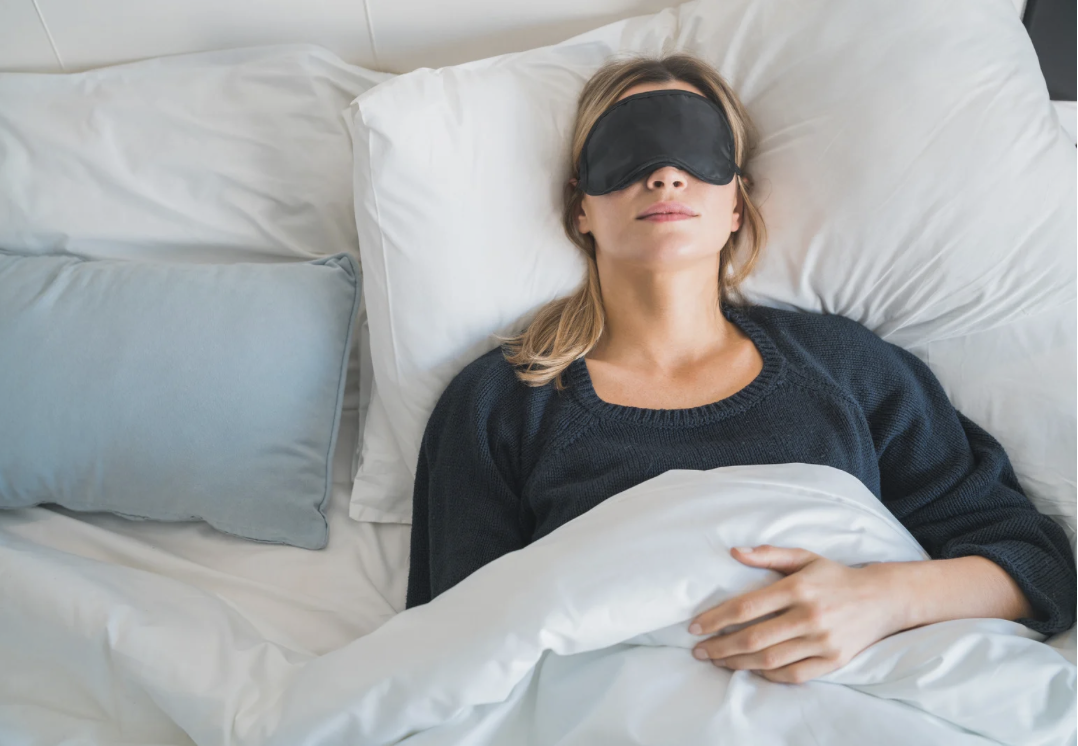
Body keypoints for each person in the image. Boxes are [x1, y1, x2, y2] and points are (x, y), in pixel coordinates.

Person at [404, 53, 1076, 684]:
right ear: (582, 206)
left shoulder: (846, 367)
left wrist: (881, 598)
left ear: (736, 203)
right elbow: (459, 640)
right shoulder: (501, 400)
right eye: (627, 152)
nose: (665, 176)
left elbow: (1035, 565)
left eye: (697, 152)